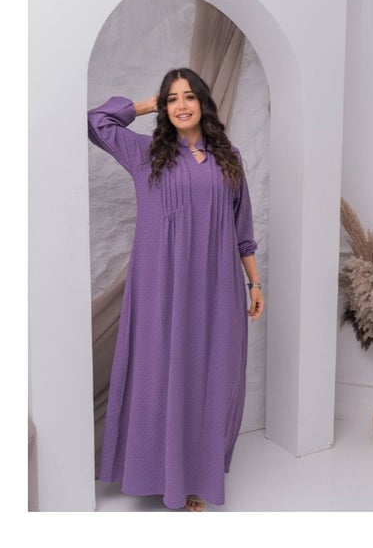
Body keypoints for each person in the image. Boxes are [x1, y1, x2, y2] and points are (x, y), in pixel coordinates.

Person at [88, 67, 265, 512]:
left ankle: (195, 479)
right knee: (160, 374)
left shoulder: (228, 158)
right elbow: (95, 122)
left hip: (217, 287)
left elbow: (243, 228)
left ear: (204, 102)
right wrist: (146, 104)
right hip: (160, 287)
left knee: (210, 376)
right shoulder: (146, 153)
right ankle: (158, 475)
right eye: (172, 99)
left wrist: (255, 282)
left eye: (189, 96)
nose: (182, 105)